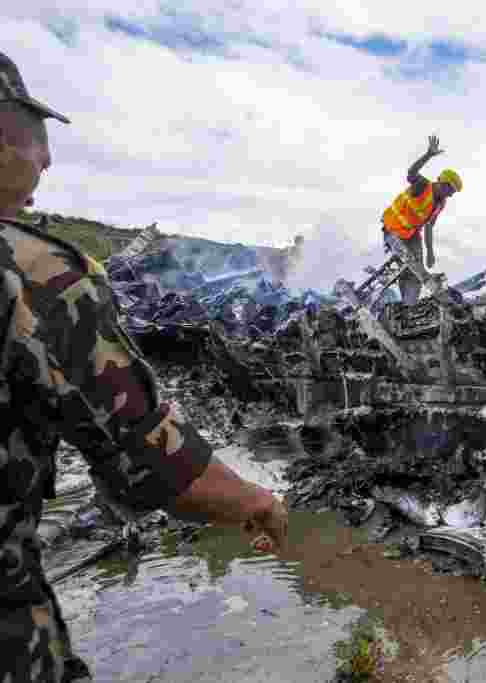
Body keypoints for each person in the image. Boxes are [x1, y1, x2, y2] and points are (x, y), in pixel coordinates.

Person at [0, 52, 288, 683]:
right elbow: (150, 462)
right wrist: (256, 501)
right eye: (36, 136)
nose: (46, 159)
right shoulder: (39, 272)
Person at [381, 136, 462, 305]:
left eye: (453, 192)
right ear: (442, 184)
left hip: (411, 235)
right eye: (451, 190)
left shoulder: (440, 203)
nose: (451, 194)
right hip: (392, 230)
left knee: (417, 272)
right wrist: (428, 155)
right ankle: (404, 303)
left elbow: (429, 227)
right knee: (411, 264)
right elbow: (411, 172)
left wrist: (431, 252)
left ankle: (408, 306)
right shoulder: (422, 185)